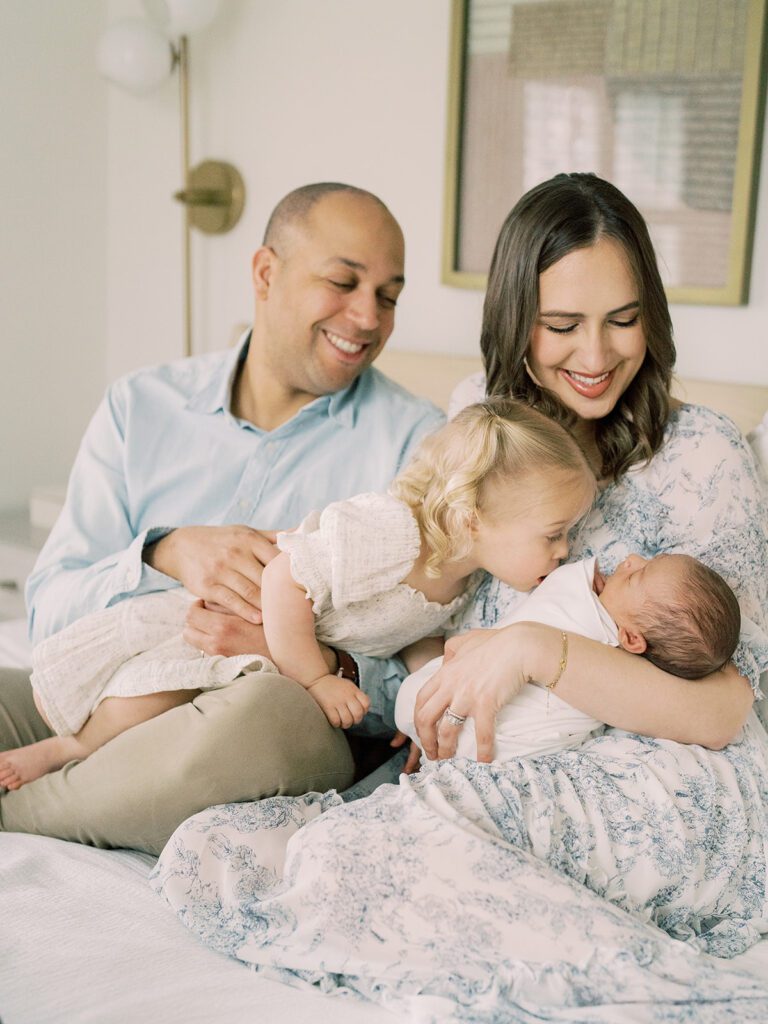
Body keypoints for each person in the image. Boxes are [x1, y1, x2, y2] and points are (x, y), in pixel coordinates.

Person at [151, 173, 768, 1019]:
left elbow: (728, 710)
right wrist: (312, 656)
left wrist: (538, 651)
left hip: (663, 771)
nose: (596, 357)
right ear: (516, 322)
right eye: (561, 326)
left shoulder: (704, 453)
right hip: (499, 752)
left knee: (403, 848)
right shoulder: (477, 422)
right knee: (228, 853)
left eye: (624, 321)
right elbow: (423, 622)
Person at [0, 182, 447, 853]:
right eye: (343, 282)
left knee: (258, 720)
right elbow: (51, 619)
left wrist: (311, 660)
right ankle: (86, 780)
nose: (367, 317)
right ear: (267, 273)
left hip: (270, 713)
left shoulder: (421, 445)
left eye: (388, 296)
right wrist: (164, 551)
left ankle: (26, 816)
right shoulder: (140, 406)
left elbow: (426, 679)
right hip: (113, 692)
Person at [0, 398, 596, 787]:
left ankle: (95, 772)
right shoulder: (392, 532)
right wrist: (313, 678)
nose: (564, 551)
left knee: (183, 731)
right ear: (472, 518)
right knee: (153, 691)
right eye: (553, 534)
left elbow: (417, 635)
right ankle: (64, 751)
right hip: (248, 616)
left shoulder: (465, 576)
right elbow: (287, 575)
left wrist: (432, 686)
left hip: (278, 652)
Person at [395, 551, 741, 761]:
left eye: (639, 574)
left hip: (473, 743)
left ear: (632, 639)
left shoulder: (605, 653)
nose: (630, 560)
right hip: (441, 724)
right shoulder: (624, 658)